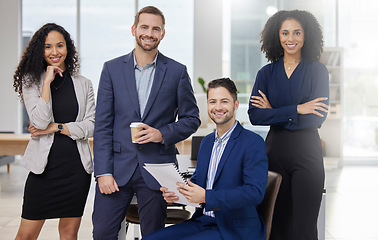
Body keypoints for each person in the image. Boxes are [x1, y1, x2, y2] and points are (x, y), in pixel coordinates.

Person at [92, 6, 200, 239]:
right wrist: (102, 172)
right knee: (102, 233)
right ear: (134, 29)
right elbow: (102, 125)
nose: (149, 33)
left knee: (154, 235)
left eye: (155, 29)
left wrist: (162, 134)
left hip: (158, 171)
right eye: (144, 27)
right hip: (116, 169)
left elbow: (192, 119)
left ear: (162, 33)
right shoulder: (111, 69)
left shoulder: (177, 71)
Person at [143, 78, 268, 240]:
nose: (218, 107)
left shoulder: (253, 142)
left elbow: (254, 193)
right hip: (204, 221)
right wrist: (176, 194)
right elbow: (198, 184)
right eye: (212, 102)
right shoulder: (207, 142)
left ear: (236, 105)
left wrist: (206, 197)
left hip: (235, 228)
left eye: (224, 101)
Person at [248, 10, 329, 240]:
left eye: (296, 32)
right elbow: (255, 116)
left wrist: (274, 112)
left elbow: (317, 118)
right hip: (275, 154)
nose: (290, 38)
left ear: (306, 36)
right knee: (277, 224)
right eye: (285, 33)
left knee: (303, 227)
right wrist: (297, 109)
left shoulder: (317, 71)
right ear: (277, 36)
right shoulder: (266, 73)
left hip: (308, 155)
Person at [12, 23, 95, 239]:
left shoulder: (84, 84)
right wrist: (47, 82)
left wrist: (57, 127)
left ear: (68, 48)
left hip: (76, 171)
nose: (55, 52)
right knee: (26, 235)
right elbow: (39, 121)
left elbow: (92, 125)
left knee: (69, 235)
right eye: (48, 47)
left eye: (60, 45)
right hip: (43, 171)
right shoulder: (31, 82)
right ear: (40, 50)